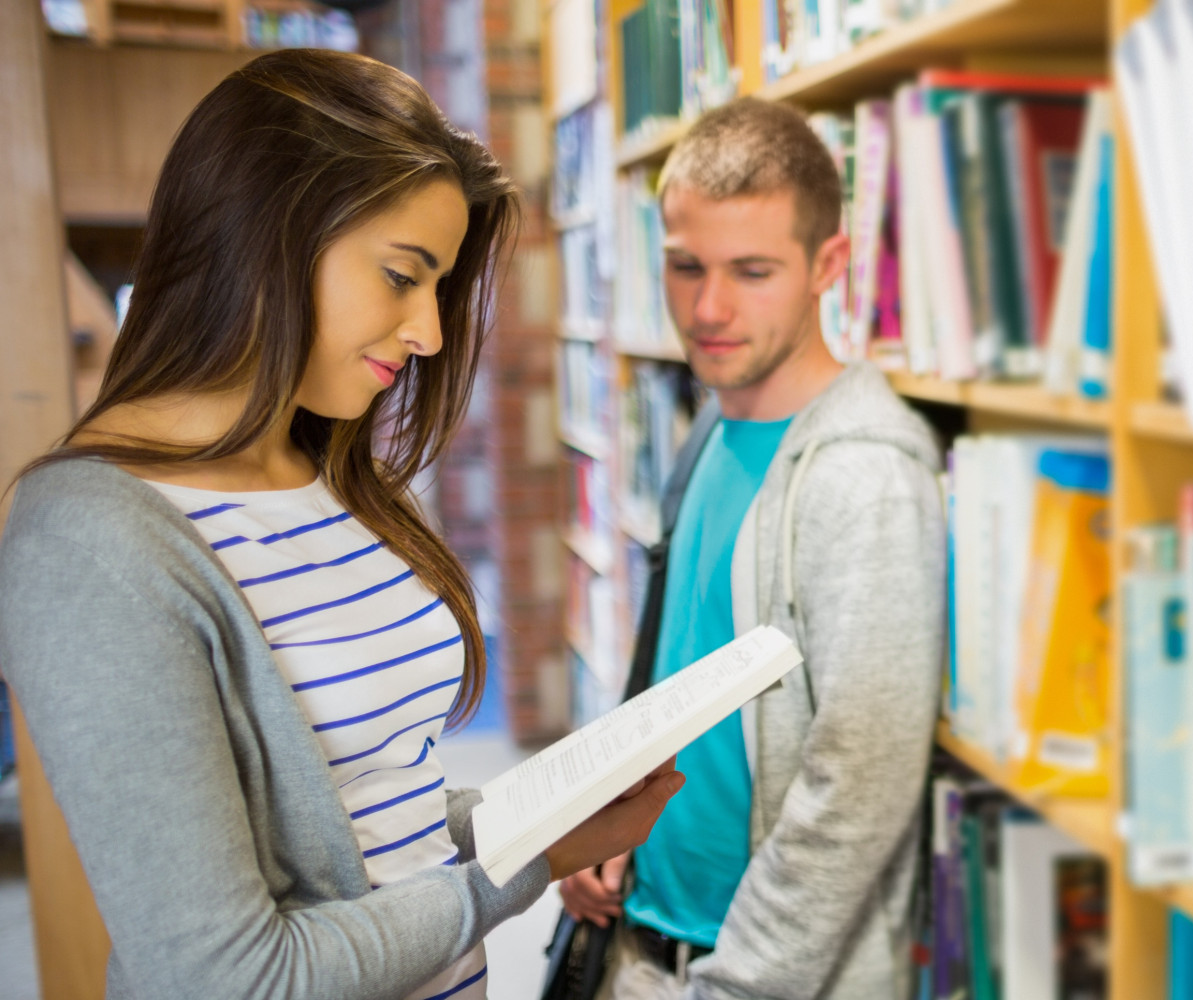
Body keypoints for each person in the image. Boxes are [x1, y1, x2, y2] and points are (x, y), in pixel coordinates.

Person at [0, 49, 682, 1000]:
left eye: (439, 289)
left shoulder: (336, 475)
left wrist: (540, 812)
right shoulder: (91, 545)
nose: (430, 335)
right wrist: (527, 863)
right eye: (403, 276)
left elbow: (371, 818)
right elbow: (229, 975)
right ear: (265, 232)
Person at [555, 98, 948, 1000]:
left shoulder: (863, 478)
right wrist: (604, 820)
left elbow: (858, 787)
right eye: (686, 267)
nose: (711, 307)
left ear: (829, 266)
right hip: (648, 938)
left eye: (753, 271)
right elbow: (676, 677)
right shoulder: (704, 433)